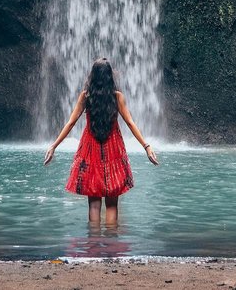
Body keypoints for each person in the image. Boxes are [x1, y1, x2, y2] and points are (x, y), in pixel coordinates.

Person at [43, 57, 159, 225]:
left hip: (90, 149)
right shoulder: (118, 97)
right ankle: (112, 244)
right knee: (112, 204)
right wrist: (146, 146)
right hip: (114, 148)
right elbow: (130, 123)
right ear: (110, 76)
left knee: (94, 204)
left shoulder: (86, 96)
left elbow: (71, 123)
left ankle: (94, 244)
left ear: (93, 76)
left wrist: (54, 146)